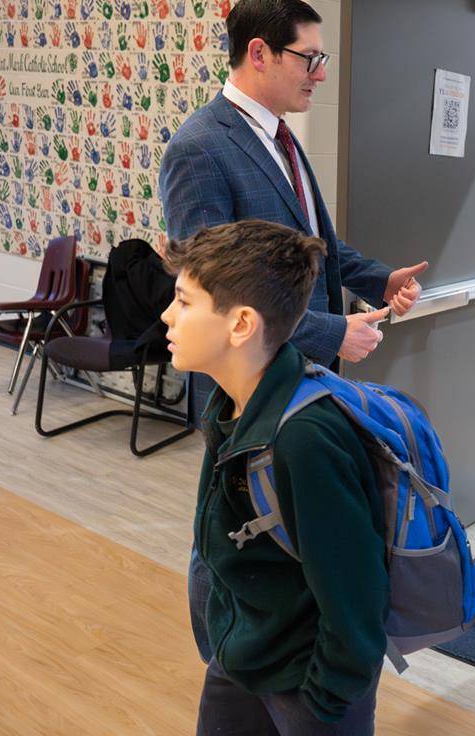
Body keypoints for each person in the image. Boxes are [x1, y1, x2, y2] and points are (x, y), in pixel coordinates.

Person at [160, 0, 428, 664]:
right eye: (309, 57)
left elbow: (313, 251)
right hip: (246, 390)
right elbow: (215, 290)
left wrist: (377, 279)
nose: (320, 71)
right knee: (231, 531)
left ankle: (286, 645)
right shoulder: (200, 149)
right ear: (258, 53)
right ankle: (225, 655)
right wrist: (332, 335)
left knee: (293, 529)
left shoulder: (278, 138)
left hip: (295, 382)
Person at [161, 220, 389, 735]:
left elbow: (356, 597)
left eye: (184, 301)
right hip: (240, 653)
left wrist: (324, 700)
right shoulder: (229, 402)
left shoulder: (305, 438)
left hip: (307, 685)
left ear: (241, 325)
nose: (166, 315)